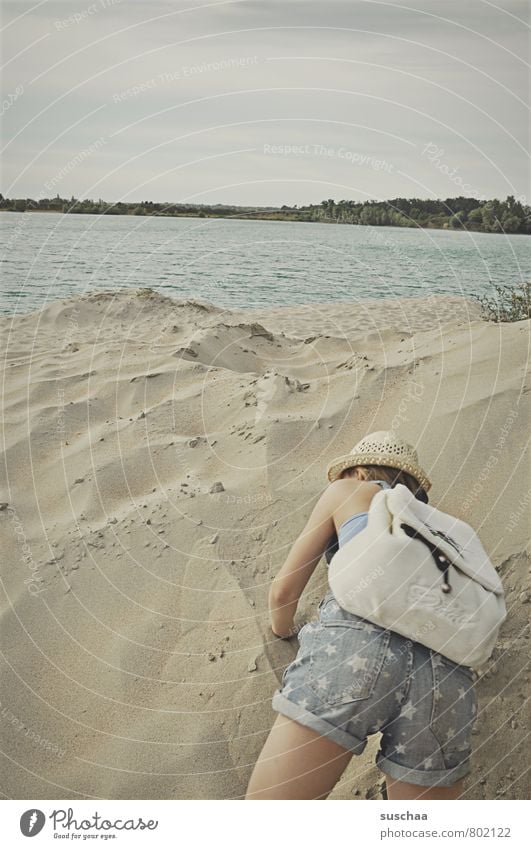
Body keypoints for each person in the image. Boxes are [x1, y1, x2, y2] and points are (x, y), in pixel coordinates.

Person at [245, 431, 477, 800]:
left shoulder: (349, 491)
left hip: (356, 647)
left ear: (356, 470)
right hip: (446, 676)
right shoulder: (439, 527)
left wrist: (282, 629)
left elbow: (283, 591)